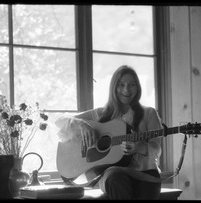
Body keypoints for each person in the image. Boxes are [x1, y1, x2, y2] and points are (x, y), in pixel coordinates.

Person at [55, 65, 163, 200]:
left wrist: (140, 147)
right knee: (115, 179)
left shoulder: (149, 113)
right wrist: (82, 125)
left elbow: (157, 149)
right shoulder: (100, 114)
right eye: (121, 85)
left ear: (138, 87)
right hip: (113, 177)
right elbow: (59, 121)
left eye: (132, 85)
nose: (126, 90)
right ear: (113, 87)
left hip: (145, 174)